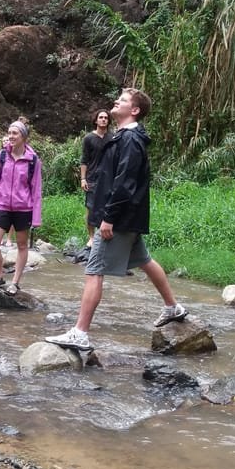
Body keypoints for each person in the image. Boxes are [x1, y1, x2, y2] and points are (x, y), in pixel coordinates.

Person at [45, 89, 188, 351]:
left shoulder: (131, 139)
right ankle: (173, 307)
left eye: (122, 100)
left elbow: (125, 183)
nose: (115, 102)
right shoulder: (125, 136)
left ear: (134, 110)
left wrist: (108, 218)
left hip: (117, 218)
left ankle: (80, 333)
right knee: (144, 260)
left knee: (94, 270)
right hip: (126, 217)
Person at [0, 117, 42, 296]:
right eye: (9, 133)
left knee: (22, 246)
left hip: (24, 208)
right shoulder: (0, 157)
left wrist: (36, 218)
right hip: (1, 205)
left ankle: (15, 282)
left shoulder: (33, 161)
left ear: (23, 137)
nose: (10, 136)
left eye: (14, 133)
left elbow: (36, 189)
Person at [80, 109, 111, 248]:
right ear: (96, 120)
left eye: (106, 117)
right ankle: (91, 237)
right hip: (92, 178)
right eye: (101, 117)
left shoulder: (113, 137)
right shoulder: (88, 138)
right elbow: (84, 160)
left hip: (109, 179)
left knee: (106, 208)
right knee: (90, 208)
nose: (103, 119)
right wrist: (83, 179)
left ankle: (102, 234)